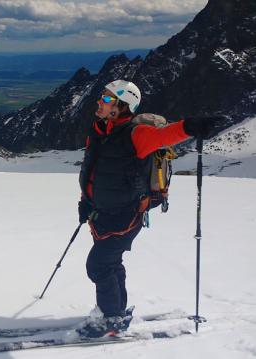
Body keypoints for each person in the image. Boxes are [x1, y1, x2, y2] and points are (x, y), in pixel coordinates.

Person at [77, 79, 221, 337]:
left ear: (122, 106)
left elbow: (165, 135)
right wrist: (85, 201)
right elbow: (94, 171)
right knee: (110, 264)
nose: (100, 101)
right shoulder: (101, 130)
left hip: (123, 216)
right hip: (102, 212)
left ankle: (110, 320)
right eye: (102, 96)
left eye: (108, 99)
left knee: (98, 266)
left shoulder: (136, 135)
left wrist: (190, 126)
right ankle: (116, 311)